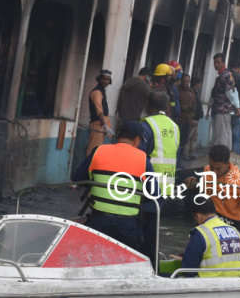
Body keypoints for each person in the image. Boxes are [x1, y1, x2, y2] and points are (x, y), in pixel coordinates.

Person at [72, 120, 154, 251]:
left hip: (98, 222)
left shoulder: (98, 151)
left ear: (118, 136)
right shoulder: (143, 159)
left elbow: (77, 178)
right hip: (127, 226)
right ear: (137, 140)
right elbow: (154, 193)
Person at [139, 90, 179, 262]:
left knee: (142, 233)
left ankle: (147, 266)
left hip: (147, 186)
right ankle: (153, 265)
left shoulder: (146, 125)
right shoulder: (174, 126)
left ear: (148, 104)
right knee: (153, 232)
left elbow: (138, 156)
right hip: (165, 186)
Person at [184, 144, 240, 226]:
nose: (214, 172)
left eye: (218, 169)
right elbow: (203, 193)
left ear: (227, 164)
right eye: (212, 167)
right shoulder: (207, 170)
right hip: (209, 220)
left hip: (230, 223)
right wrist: (193, 186)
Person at [176, 197, 240, 278]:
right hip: (237, 283)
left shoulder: (200, 233)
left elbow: (188, 270)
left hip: (210, 284)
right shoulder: (236, 232)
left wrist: (185, 260)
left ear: (197, 216)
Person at [209, 53, 235, 148]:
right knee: (225, 132)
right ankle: (226, 153)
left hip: (223, 108)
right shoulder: (224, 74)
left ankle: (221, 154)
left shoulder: (224, 75)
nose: (216, 64)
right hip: (224, 109)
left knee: (221, 134)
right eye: (215, 62)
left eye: (218, 62)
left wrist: (237, 106)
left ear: (223, 63)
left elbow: (230, 92)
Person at [87, 70, 114, 155]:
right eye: (103, 79)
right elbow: (99, 111)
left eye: (107, 79)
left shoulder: (101, 91)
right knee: (93, 150)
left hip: (101, 124)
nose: (105, 81)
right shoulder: (97, 92)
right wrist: (105, 125)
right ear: (99, 79)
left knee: (97, 150)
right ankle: (88, 168)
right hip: (98, 124)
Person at [177, 74, 197, 160]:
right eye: (184, 81)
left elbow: (194, 103)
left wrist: (192, 106)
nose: (185, 83)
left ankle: (181, 157)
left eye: (187, 81)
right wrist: (182, 107)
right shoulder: (177, 90)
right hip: (179, 119)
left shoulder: (191, 91)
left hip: (188, 119)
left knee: (184, 140)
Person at [187, 77, 205, 157]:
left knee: (193, 138)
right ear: (197, 84)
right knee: (189, 136)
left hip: (196, 119)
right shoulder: (192, 92)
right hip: (193, 118)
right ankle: (186, 153)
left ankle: (191, 152)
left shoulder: (196, 93)